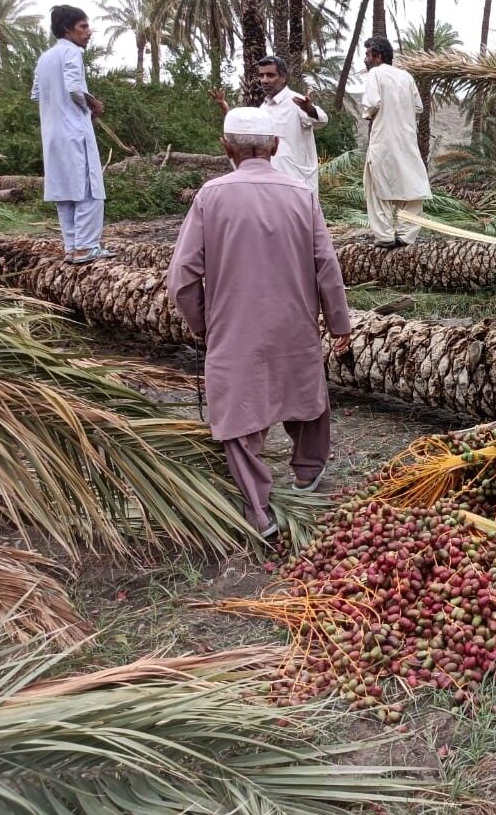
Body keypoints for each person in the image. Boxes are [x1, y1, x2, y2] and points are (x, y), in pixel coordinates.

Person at [166, 107, 352, 537]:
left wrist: (203, 324)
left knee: (240, 413)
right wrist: (338, 324)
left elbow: (182, 277)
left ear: (225, 146)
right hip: (296, 322)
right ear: (276, 145)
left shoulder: (210, 196)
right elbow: (326, 265)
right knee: (307, 395)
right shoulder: (301, 194)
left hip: (234, 327)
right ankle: (307, 474)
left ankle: (259, 510)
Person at [32, 5, 115, 265]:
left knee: (65, 191)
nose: (89, 32)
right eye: (83, 27)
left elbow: (36, 93)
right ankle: (87, 247)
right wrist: (93, 104)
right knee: (89, 189)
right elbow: (74, 88)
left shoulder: (44, 58)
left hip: (52, 134)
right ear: (67, 30)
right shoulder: (72, 53)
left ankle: (71, 247)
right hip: (74, 131)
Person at [209, 55, 328, 192]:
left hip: (297, 185)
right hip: (269, 185)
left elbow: (322, 120)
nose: (265, 80)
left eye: (270, 75)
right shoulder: (264, 108)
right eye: (262, 76)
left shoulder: (296, 101)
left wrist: (310, 109)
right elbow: (244, 129)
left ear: (283, 77)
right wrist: (224, 107)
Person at [360, 36, 432, 248]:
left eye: (367, 55)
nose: (365, 59)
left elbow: (372, 104)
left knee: (375, 187)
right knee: (411, 187)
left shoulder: (375, 73)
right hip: (407, 140)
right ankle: (406, 235)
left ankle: (384, 236)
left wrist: (369, 113)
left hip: (383, 139)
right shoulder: (406, 76)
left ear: (378, 56)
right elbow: (418, 108)